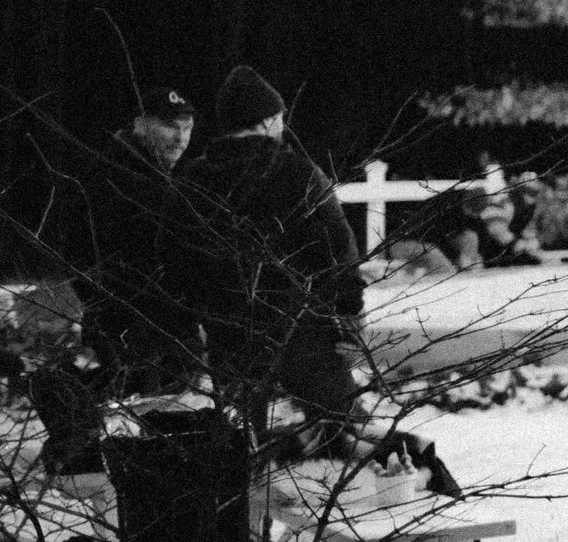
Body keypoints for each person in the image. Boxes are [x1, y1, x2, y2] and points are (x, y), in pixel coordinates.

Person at [173, 67, 366, 453]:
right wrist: (348, 318)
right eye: (278, 118)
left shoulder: (192, 181)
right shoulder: (299, 174)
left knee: (246, 454)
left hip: (228, 344)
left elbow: (175, 264)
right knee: (343, 449)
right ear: (265, 121)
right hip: (304, 344)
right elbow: (338, 255)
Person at [68, 87, 200, 395]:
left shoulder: (154, 176)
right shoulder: (112, 178)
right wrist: (120, 312)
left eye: (187, 129)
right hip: (136, 335)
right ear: (140, 124)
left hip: (161, 335)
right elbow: (79, 256)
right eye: (170, 127)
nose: (180, 140)